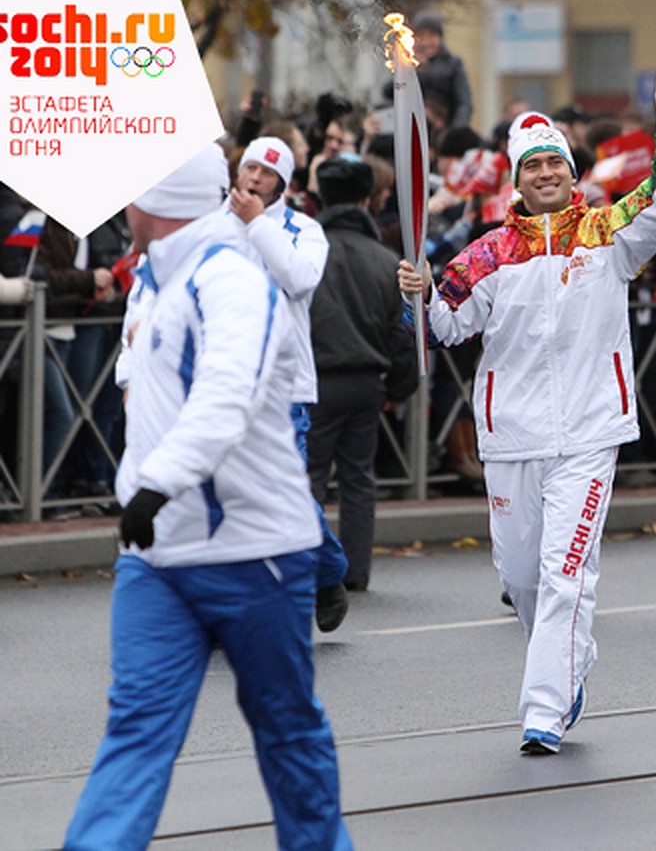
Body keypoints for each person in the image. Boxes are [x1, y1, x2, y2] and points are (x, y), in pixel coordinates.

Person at [397, 61, 656, 755]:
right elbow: (444, 330)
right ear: (517, 178)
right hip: (510, 435)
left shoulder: (609, 232)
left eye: (555, 164)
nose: (546, 174)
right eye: (532, 165)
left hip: (591, 431)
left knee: (568, 573)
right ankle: (569, 660)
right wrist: (418, 296)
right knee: (521, 579)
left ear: (572, 172)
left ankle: (544, 708)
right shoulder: (485, 254)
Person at [64, 145, 352, 850]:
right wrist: (142, 494)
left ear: (149, 204)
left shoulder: (232, 278)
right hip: (158, 556)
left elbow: (228, 395)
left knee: (285, 730)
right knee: (135, 727)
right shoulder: (159, 280)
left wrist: (156, 485)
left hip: (254, 554)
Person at [227, 136, 350, 626]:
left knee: (286, 492)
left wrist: (256, 226)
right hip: (221, 381)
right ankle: (230, 604)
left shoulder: (304, 229)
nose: (255, 180)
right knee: (225, 494)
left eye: (267, 174)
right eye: (249, 168)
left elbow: (299, 279)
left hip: (284, 386)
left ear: (283, 183)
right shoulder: (206, 225)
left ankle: (326, 571)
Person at [308, 156, 419, 596]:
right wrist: (397, 387)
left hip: (314, 379)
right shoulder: (384, 258)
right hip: (367, 382)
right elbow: (402, 332)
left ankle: (313, 566)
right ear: (368, 199)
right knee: (358, 478)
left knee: (309, 475)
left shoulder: (305, 250)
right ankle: (355, 571)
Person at [411, 10, 474, 130]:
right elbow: (389, 91)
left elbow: (464, 102)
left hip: (446, 127)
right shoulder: (408, 63)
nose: (426, 42)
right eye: (421, 36)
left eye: (431, 36)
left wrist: (456, 131)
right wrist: (412, 69)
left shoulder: (452, 64)